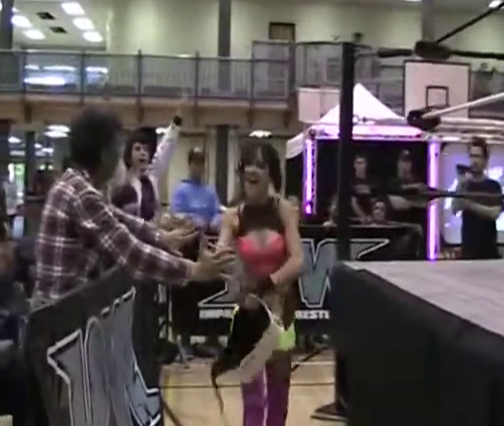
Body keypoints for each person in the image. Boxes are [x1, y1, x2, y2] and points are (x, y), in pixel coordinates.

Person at [32, 107, 235, 304]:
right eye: (119, 149)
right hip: (59, 313)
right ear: (105, 154)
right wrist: (194, 270)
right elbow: (131, 252)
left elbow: (120, 218)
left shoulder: (73, 183)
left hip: (62, 306)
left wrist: (160, 237)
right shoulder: (82, 194)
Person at [215, 141, 303, 426]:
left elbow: (297, 260)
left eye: (260, 165)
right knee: (252, 401)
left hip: (280, 313)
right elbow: (220, 257)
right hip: (248, 314)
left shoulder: (284, 210)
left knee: (278, 398)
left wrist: (268, 283)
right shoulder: (233, 216)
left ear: (271, 174)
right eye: (248, 165)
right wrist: (217, 260)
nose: (252, 170)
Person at [170, 147, 223, 357]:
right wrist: (193, 221)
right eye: (195, 162)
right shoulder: (181, 190)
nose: (199, 166)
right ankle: (185, 337)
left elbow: (217, 212)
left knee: (212, 290)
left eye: (202, 162)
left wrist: (215, 221)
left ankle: (212, 336)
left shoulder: (210, 191)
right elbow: (176, 214)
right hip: (187, 246)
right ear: (190, 164)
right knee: (186, 292)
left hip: (207, 246)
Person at [453, 137, 504, 259]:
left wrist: (469, 205)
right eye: (471, 156)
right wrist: (460, 185)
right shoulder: (465, 185)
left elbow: (494, 213)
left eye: (478, 156)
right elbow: (455, 209)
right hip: (468, 249)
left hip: (488, 249)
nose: (474, 160)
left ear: (485, 160)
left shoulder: (493, 186)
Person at [350, 153, 376, 222]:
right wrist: (364, 217)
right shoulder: (350, 182)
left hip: (372, 218)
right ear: (354, 165)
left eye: (362, 163)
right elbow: (353, 203)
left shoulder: (373, 181)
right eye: (358, 163)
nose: (360, 165)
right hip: (356, 219)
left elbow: (374, 200)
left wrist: (372, 217)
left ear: (366, 164)